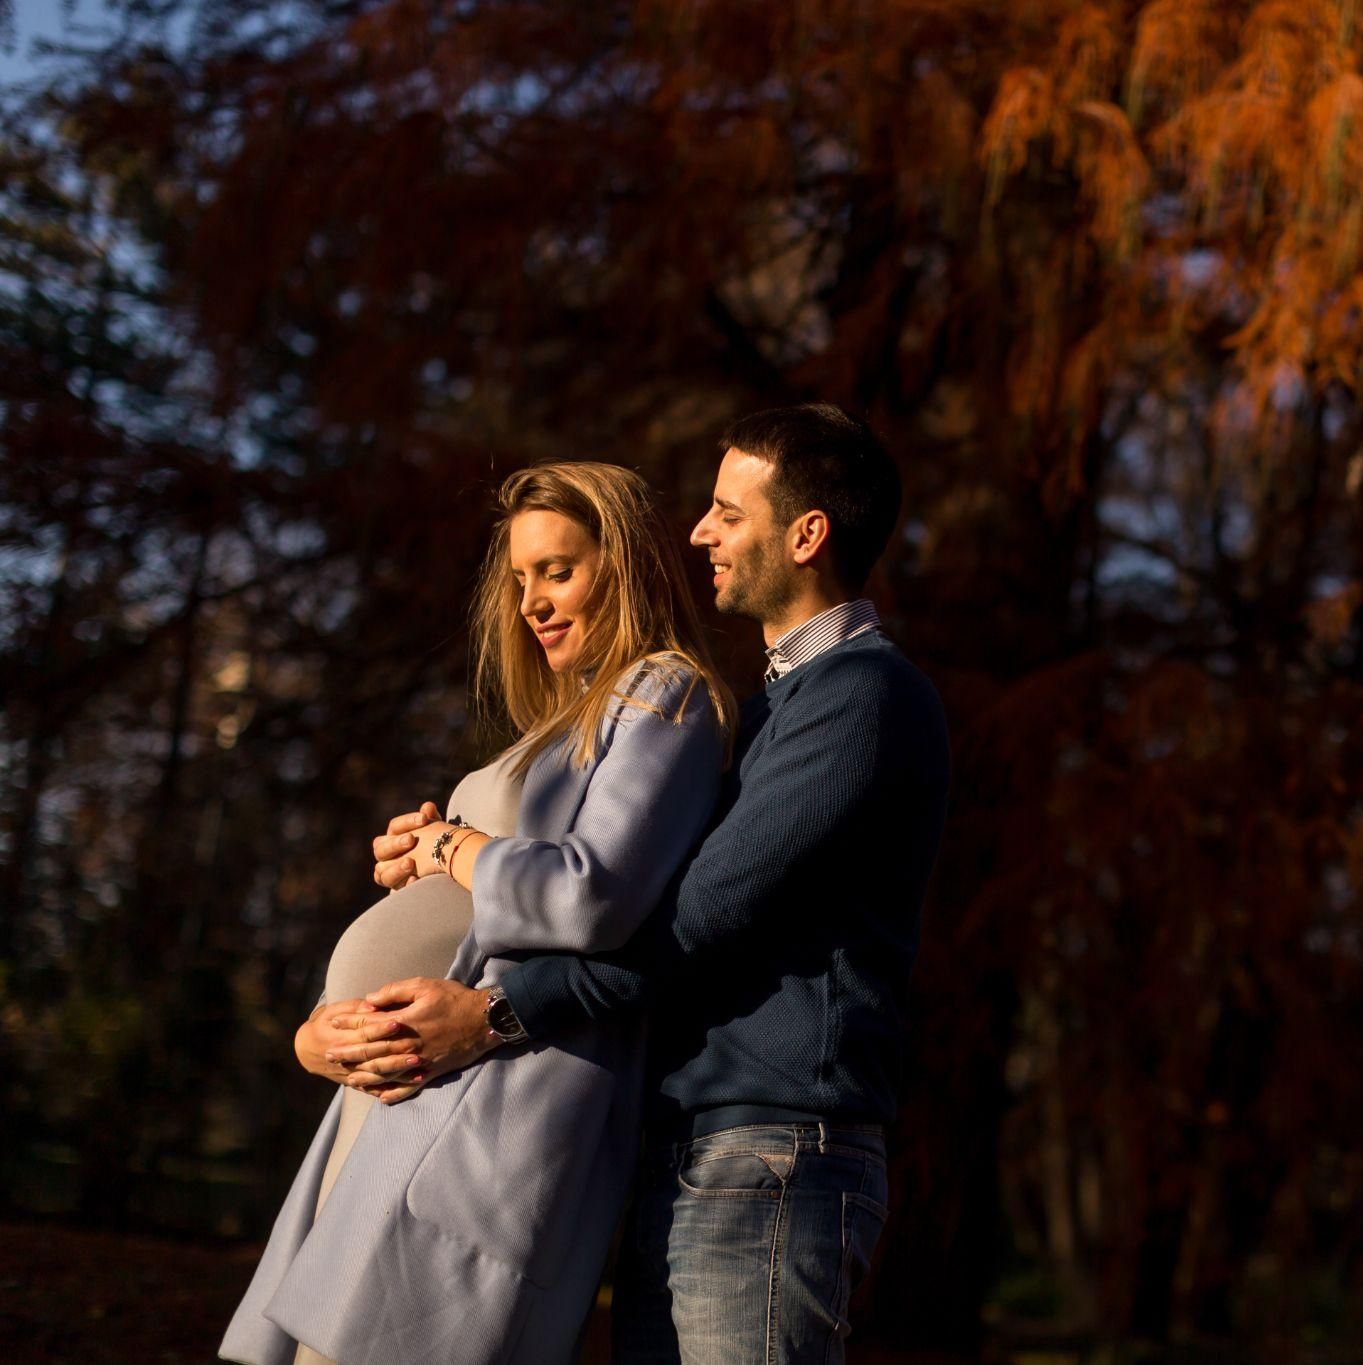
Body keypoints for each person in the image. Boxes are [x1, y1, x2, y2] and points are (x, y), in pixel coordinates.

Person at [334, 404, 951, 1364]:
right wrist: (443, 855)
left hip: (773, 1153)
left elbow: (693, 920)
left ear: (806, 534)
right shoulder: (773, 709)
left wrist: (496, 1013)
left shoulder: (863, 697)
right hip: (702, 1147)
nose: (700, 531)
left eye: (726, 512)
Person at [221, 461, 737, 1365]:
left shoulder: (665, 694)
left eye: (559, 570)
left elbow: (590, 891)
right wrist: (327, 1027)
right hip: (398, 1108)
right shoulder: (565, 724)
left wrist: (447, 849)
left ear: (624, 566)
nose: (533, 601)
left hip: (489, 1119)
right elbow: (481, 905)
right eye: (520, 578)